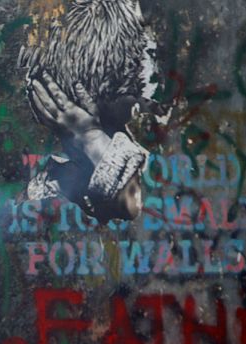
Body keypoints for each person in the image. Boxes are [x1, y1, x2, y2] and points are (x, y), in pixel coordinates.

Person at [18, 0, 162, 223]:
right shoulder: (40, 185)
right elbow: (134, 207)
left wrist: (91, 138)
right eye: (133, 88)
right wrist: (91, 138)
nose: (143, 103)